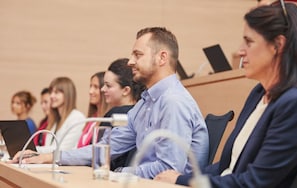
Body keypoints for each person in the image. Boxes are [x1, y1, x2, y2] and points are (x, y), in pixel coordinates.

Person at [155, 2, 297, 187]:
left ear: (278, 45)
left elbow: (254, 183)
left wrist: (181, 180)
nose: (241, 50)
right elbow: (227, 167)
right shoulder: (258, 93)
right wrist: (179, 177)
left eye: (249, 42)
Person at [12, 27, 209, 179]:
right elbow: (108, 147)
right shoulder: (146, 102)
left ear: (162, 57)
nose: (130, 61)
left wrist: (119, 173)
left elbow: (169, 169)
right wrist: (52, 157)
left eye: (137, 55)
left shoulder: (173, 101)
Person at [36, 77, 86, 153]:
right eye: (51, 92)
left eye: (56, 92)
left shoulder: (77, 118)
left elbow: (63, 150)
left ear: (67, 95)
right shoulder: (56, 120)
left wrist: (35, 150)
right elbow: (49, 147)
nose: (52, 96)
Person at [77, 71, 108, 148]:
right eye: (90, 86)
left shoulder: (107, 120)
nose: (90, 91)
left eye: (96, 87)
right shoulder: (92, 120)